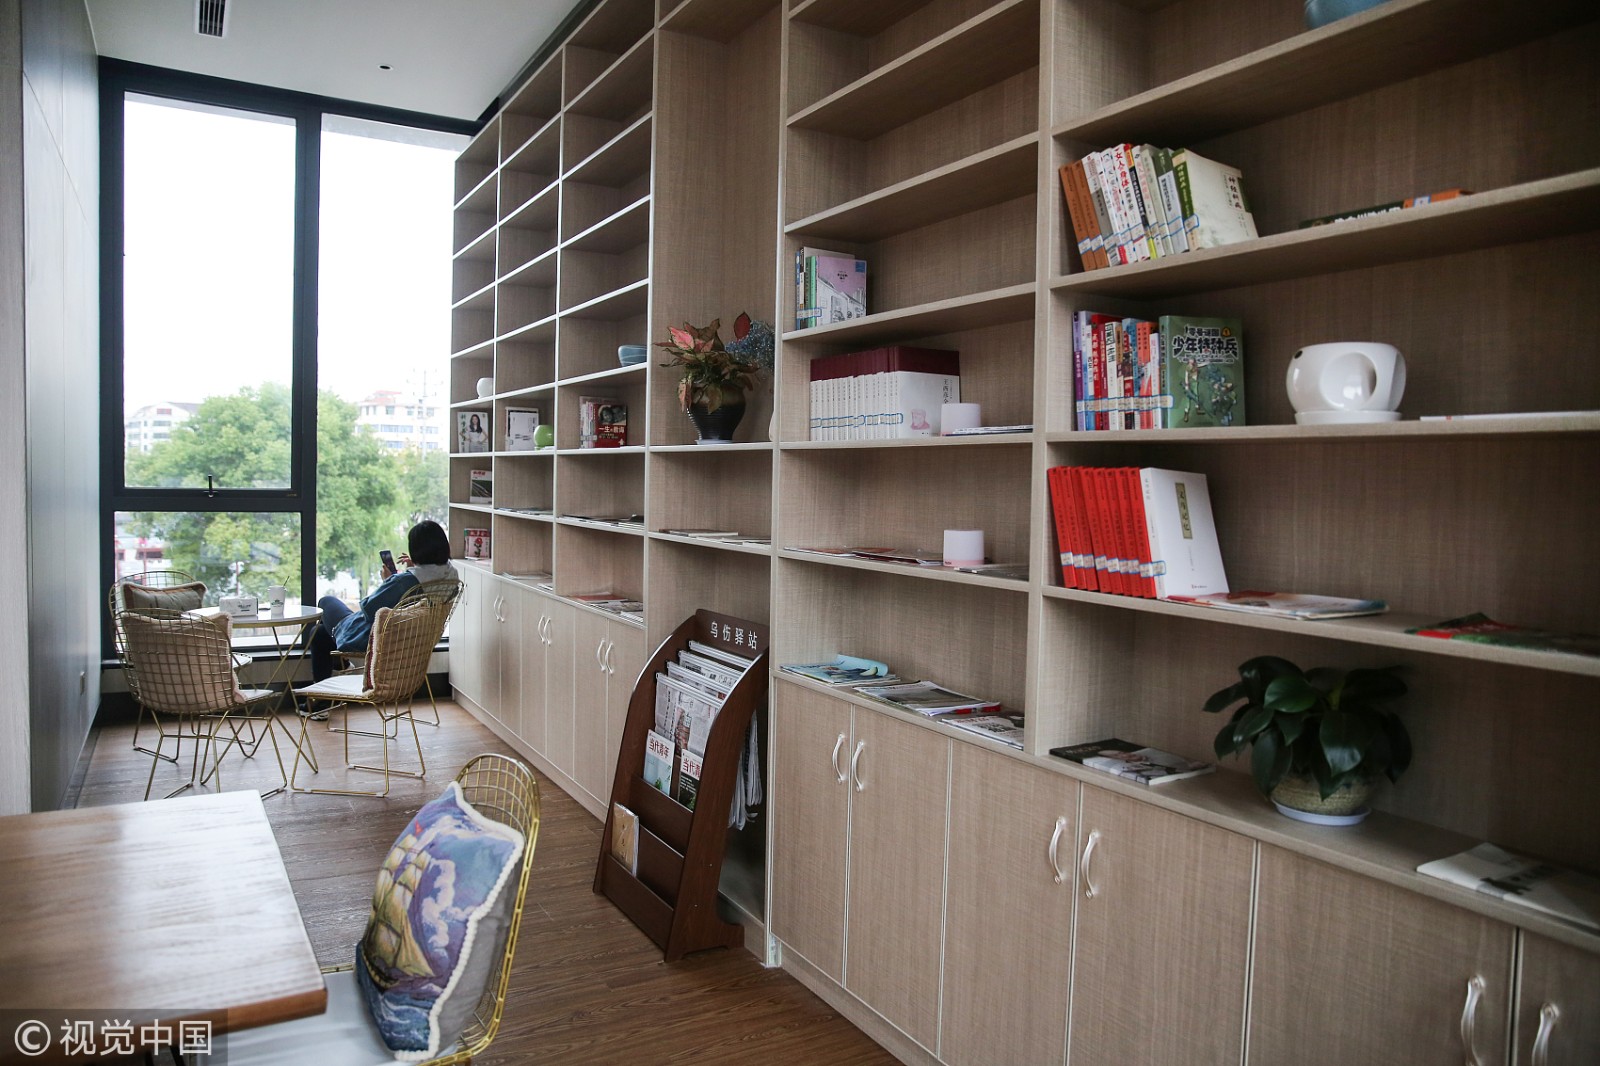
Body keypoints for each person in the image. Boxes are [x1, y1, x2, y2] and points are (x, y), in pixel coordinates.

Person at [306, 519, 458, 689]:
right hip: (411, 640)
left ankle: (341, 664)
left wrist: (389, 580)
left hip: (377, 638)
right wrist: (414, 567)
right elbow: (419, 588)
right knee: (318, 633)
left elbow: (368, 608)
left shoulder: (404, 582)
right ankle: (323, 695)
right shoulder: (450, 575)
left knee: (326, 601)